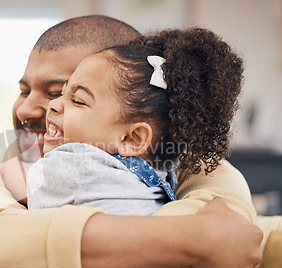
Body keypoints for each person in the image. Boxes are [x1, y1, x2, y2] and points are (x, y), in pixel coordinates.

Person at [0, 15, 263, 268]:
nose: (27, 109)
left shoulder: (192, 167)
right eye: (23, 90)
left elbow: (237, 237)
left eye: (62, 92)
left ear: (134, 131)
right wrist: (199, 238)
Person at [13, 27, 241, 221]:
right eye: (61, 93)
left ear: (132, 139)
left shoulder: (72, 162)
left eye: (77, 100)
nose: (54, 104)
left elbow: (19, 184)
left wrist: (11, 161)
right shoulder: (169, 169)